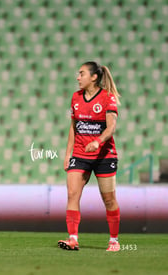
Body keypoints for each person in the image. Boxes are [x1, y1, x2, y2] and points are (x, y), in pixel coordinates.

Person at [58, 61, 121, 252]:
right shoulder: (75, 97)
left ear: (94, 77)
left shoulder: (107, 98)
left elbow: (111, 127)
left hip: (104, 155)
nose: (78, 77)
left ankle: (114, 241)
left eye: (82, 74)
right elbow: (73, 127)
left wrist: (98, 141)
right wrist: (68, 153)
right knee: (72, 194)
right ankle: (73, 239)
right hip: (80, 153)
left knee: (108, 200)